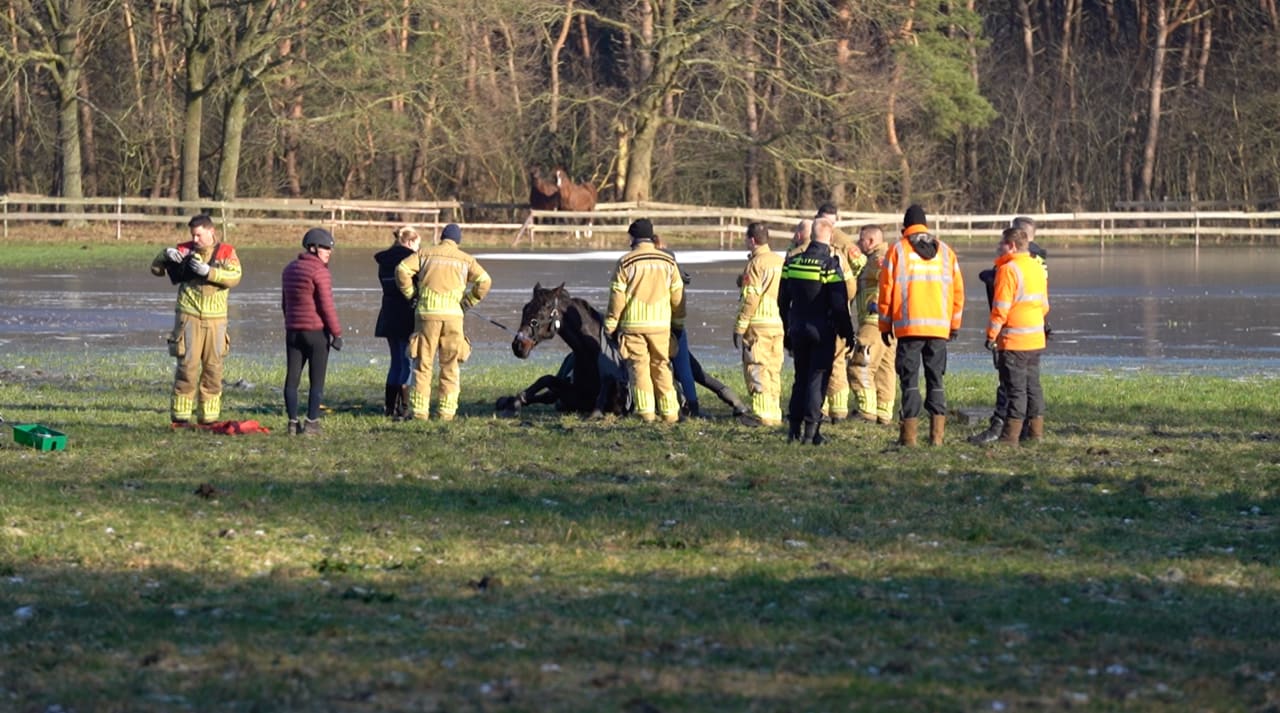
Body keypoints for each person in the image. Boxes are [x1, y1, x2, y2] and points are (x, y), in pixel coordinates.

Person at [878, 204, 964, 447]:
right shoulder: (946, 252)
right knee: (936, 380)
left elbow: (885, 292)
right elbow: (958, 293)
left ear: (904, 227)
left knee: (910, 382)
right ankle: (937, 437)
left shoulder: (897, 251)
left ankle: (909, 437)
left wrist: (884, 326)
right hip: (939, 330)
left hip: (909, 329)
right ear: (925, 226)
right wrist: (954, 325)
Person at [149, 214, 242, 426]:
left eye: (199, 235)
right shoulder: (183, 250)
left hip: (216, 319)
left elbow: (235, 277)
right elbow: (156, 270)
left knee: (213, 369)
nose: (195, 239)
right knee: (187, 368)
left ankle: (209, 418)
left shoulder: (227, 252)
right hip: (188, 316)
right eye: (193, 235)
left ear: (211, 232)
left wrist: (210, 272)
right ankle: (180, 418)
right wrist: (164, 255)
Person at [394, 223, 491, 421]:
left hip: (426, 316)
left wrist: (412, 295)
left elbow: (402, 269)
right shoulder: (466, 259)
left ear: (441, 237)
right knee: (450, 366)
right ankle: (446, 413)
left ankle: (419, 412)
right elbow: (485, 281)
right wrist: (467, 302)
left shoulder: (424, 254)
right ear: (458, 240)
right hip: (453, 318)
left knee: (422, 365)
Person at [969, 216, 1049, 443]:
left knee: (1015, 390)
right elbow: (1044, 305)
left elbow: (1000, 309)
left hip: (1014, 340)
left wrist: (991, 335)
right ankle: (1035, 433)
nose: (998, 247)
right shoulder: (1037, 267)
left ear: (1012, 245)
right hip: (1036, 339)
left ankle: (1010, 436)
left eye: (1001, 244)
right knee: (1033, 387)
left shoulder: (1008, 270)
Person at [779, 218, 855, 445]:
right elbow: (839, 304)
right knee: (817, 379)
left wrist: (787, 329)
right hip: (822, 330)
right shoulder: (829, 265)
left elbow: (782, 301)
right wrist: (848, 333)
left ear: (811, 235)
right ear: (830, 237)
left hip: (797, 328)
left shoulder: (792, 262)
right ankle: (811, 433)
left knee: (800, 378)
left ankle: (793, 430)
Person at [604, 218, 685, 423]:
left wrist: (611, 325)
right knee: (662, 366)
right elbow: (678, 296)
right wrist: (678, 323)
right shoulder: (668, 262)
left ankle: (646, 413)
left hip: (634, 326)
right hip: (661, 325)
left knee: (639, 368)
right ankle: (670, 413)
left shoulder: (625, 262)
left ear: (633, 237)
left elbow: (617, 298)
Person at [281, 228, 343, 435]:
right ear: (313, 248)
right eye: (325, 248)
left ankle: (292, 423)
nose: (329, 252)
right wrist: (337, 333)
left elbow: (285, 303)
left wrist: (290, 321)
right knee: (317, 380)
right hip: (316, 332)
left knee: (292, 379)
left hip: (293, 332)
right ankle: (312, 423)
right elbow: (326, 306)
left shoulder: (289, 269)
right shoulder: (320, 272)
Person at [733, 222, 786, 426]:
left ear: (752, 240)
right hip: (778, 323)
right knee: (774, 369)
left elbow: (751, 298)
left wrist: (740, 326)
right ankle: (774, 412)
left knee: (757, 368)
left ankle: (761, 414)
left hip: (758, 324)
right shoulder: (781, 261)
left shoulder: (755, 264)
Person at [815, 203, 864, 423]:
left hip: (836, 304)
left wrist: (847, 285)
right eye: (826, 222)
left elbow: (861, 262)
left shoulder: (843, 241)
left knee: (835, 358)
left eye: (832, 223)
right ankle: (821, 407)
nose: (829, 227)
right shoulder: (808, 237)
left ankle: (837, 409)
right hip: (814, 306)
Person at [850, 224, 896, 424]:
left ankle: (866, 411)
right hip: (889, 324)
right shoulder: (882, 256)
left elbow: (890, 278)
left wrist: (879, 303)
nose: (858, 243)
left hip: (874, 322)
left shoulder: (879, 259)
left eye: (861, 240)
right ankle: (883, 412)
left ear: (870, 241)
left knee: (860, 365)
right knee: (885, 369)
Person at [375, 225, 422, 419]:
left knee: (395, 362)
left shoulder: (384, 261)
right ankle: (404, 408)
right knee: (407, 362)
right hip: (405, 314)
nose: (418, 249)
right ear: (410, 242)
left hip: (388, 313)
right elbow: (417, 285)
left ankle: (389, 407)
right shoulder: (410, 259)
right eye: (417, 244)